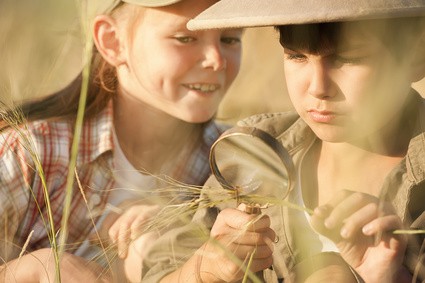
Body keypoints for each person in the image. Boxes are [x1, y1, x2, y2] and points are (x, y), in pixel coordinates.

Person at [141, 0, 425, 282]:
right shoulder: (256, 151)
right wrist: (202, 270)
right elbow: (159, 272)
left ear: (416, 56)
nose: (318, 88)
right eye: (296, 56)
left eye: (348, 58)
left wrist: (390, 277)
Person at [0, 0, 242, 281]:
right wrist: (43, 268)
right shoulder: (31, 151)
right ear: (113, 41)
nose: (216, 59)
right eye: (185, 38)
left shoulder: (229, 159)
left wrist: (179, 226)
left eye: (230, 39)